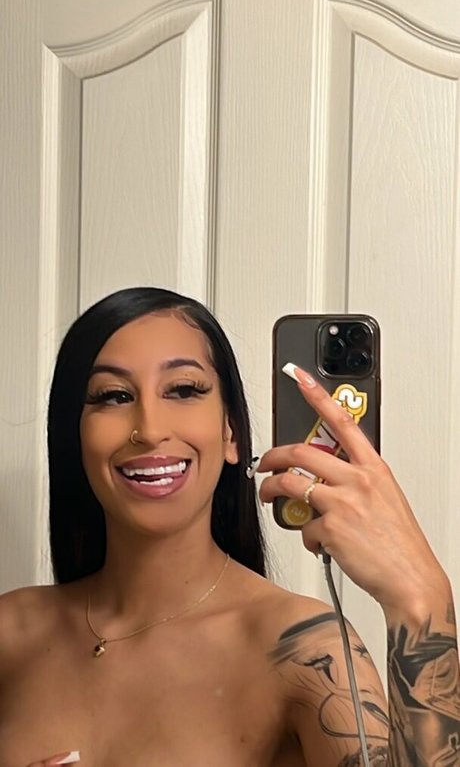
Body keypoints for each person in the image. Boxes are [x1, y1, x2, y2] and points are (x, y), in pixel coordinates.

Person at [0, 286, 458, 767]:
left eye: (183, 390)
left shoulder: (308, 654)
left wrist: (420, 600)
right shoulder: (11, 632)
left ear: (231, 433)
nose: (149, 430)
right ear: (75, 436)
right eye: (113, 396)